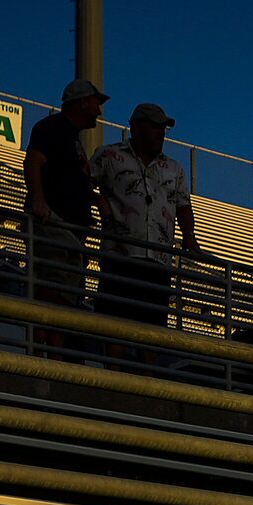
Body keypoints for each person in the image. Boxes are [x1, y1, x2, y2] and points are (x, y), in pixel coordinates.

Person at [91, 99, 198, 344]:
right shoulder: (109, 155)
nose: (161, 133)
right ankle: (115, 374)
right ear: (137, 127)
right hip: (121, 255)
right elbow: (80, 181)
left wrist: (189, 236)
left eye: (164, 128)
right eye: (156, 127)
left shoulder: (174, 168)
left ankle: (147, 376)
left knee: (153, 329)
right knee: (115, 324)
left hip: (158, 261)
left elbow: (183, 205)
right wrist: (98, 201)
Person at [23, 78, 106, 346]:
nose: (99, 110)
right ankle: (41, 356)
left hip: (70, 229)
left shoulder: (72, 138)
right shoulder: (53, 128)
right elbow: (33, 161)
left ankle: (54, 356)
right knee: (51, 291)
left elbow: (73, 183)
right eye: (96, 103)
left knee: (65, 297)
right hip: (55, 223)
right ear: (82, 102)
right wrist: (38, 199)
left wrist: (95, 201)